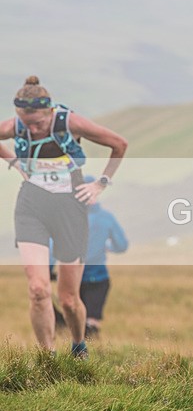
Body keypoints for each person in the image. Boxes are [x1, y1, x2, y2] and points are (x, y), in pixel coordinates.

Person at [0, 76, 127, 357]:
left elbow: (119, 144)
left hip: (70, 207)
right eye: (27, 124)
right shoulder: (15, 126)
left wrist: (101, 183)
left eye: (39, 124)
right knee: (37, 289)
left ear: (50, 112)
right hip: (32, 206)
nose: (33, 129)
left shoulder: (71, 123)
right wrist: (13, 161)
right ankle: (48, 358)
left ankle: (78, 344)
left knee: (69, 300)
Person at [79, 175, 129, 338]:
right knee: (91, 320)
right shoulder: (106, 218)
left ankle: (77, 355)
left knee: (75, 318)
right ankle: (92, 357)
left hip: (73, 276)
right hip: (98, 277)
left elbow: (53, 246)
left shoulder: (70, 217)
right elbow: (122, 245)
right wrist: (107, 247)